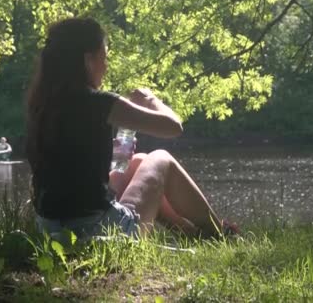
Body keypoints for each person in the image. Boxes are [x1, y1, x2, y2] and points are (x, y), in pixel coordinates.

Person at [26, 18, 237, 241]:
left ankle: (192, 233)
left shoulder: (41, 105)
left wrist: (118, 156)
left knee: (138, 161)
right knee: (160, 158)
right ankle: (218, 232)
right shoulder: (98, 103)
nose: (106, 67)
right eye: (104, 57)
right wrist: (151, 100)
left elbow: (79, 184)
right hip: (98, 232)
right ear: (88, 60)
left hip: (51, 232)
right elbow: (173, 127)